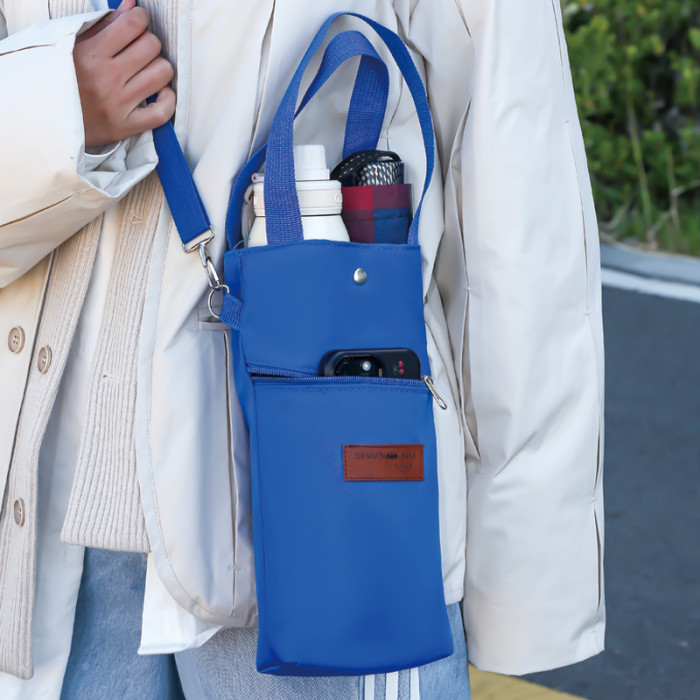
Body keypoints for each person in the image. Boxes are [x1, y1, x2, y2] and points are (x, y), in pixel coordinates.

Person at [0, 0, 606, 697]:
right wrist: (56, 112)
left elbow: (519, 218)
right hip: (48, 530)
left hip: (327, 517)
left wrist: (524, 585)